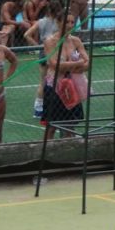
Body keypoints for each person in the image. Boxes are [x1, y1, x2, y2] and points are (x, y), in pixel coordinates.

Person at [41, 12, 89, 141]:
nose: (70, 25)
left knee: (71, 125)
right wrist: (77, 64)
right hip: (55, 87)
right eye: (66, 22)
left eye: (72, 22)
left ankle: (69, 151)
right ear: (58, 22)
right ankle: (45, 154)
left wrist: (74, 65)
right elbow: (54, 64)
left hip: (72, 87)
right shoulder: (50, 41)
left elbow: (87, 63)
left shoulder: (76, 41)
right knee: (51, 126)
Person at [23, 0, 65, 119]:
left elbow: (26, 34)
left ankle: (38, 109)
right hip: (56, 53)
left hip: (44, 52)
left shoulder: (41, 22)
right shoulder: (59, 23)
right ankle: (56, 107)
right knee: (57, 80)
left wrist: (38, 46)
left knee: (43, 81)